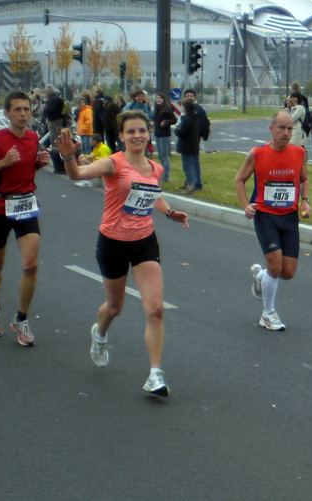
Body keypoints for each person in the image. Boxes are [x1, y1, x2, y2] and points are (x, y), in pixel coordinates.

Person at [54, 109, 189, 396]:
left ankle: (155, 374)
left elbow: (153, 193)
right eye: (131, 131)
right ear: (121, 136)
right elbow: (77, 174)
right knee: (115, 307)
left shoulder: (155, 168)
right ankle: (100, 332)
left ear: (148, 133)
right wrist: (68, 157)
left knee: (155, 309)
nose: (137, 135)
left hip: (144, 241)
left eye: (141, 130)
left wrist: (169, 212)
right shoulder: (113, 163)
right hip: (113, 242)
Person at [234, 111, 311, 331]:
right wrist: (246, 205)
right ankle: (267, 314)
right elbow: (239, 180)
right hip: (265, 215)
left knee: (288, 272)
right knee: (275, 267)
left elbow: (305, 179)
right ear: (271, 129)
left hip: (289, 217)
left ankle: (260, 276)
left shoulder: (299, 153)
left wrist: (305, 201)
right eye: (281, 128)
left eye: (290, 129)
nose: (286, 133)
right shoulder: (257, 154)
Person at [0, 91, 50, 345]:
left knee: (30, 265)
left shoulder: (34, 137)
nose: (24, 114)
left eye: (26, 109)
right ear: (7, 114)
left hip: (26, 205)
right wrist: (3, 162)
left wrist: (39, 163)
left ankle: (21, 320)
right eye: (18, 110)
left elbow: (28, 165)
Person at [183, 89, 210, 190]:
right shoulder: (184, 110)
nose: (189, 98)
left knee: (193, 161)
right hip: (188, 138)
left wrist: (203, 135)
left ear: (195, 97)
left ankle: (196, 183)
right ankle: (190, 181)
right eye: (187, 96)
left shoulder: (198, 109)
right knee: (189, 162)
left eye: (191, 96)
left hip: (194, 138)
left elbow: (205, 123)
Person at [174, 98, 200, 193]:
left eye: (182, 106)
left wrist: (176, 130)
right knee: (193, 165)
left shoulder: (187, 119)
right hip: (194, 145)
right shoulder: (195, 117)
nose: (181, 108)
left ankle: (190, 184)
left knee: (187, 166)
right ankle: (194, 182)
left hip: (186, 146)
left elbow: (182, 132)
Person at [153, 92, 177, 182]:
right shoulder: (156, 109)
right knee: (160, 156)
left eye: (160, 98)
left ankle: (166, 176)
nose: (158, 100)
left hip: (164, 135)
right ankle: (162, 174)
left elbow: (174, 120)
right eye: (157, 98)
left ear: (163, 100)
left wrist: (166, 122)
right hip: (157, 134)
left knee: (164, 156)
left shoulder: (167, 109)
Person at [43, 84, 65, 174]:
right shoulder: (58, 99)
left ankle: (58, 167)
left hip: (53, 120)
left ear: (49, 91)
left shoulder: (51, 100)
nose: (44, 93)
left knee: (54, 139)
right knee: (56, 137)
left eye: (45, 91)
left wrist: (45, 108)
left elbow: (49, 110)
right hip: (58, 119)